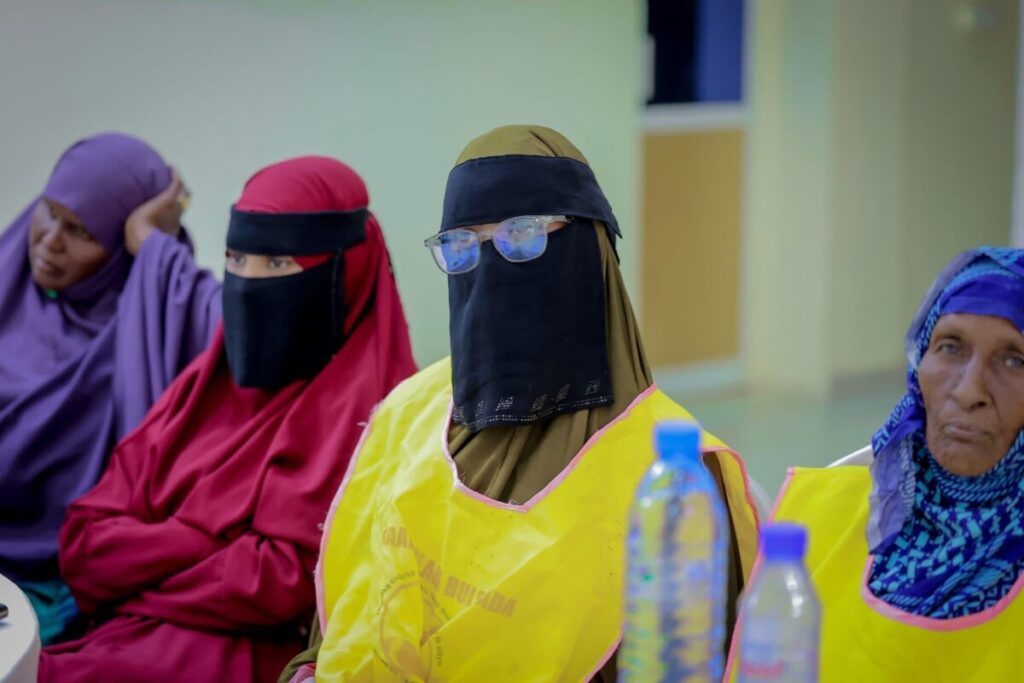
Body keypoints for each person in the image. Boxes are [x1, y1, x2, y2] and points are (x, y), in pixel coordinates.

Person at [281, 126, 760, 683]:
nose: (491, 265)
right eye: (463, 243)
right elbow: (346, 621)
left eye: (523, 234)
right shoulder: (410, 413)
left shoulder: (671, 473)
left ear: (590, 249)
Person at [38, 156, 417, 683]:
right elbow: (84, 542)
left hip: (241, 661)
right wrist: (208, 546)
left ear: (343, 272)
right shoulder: (205, 388)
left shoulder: (381, 418)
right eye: (236, 258)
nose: (248, 281)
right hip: (120, 636)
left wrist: (141, 563)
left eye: (277, 264)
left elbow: (284, 585)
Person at [727, 247, 1024, 681]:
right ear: (919, 362)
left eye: (1014, 360)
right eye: (951, 347)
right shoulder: (818, 517)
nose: (968, 391)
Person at [0, 132, 220, 642]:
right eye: (49, 211)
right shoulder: (9, 291)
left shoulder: (143, 338)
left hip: (50, 595)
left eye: (81, 231)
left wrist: (150, 239)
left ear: (123, 249)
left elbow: (256, 328)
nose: (50, 240)